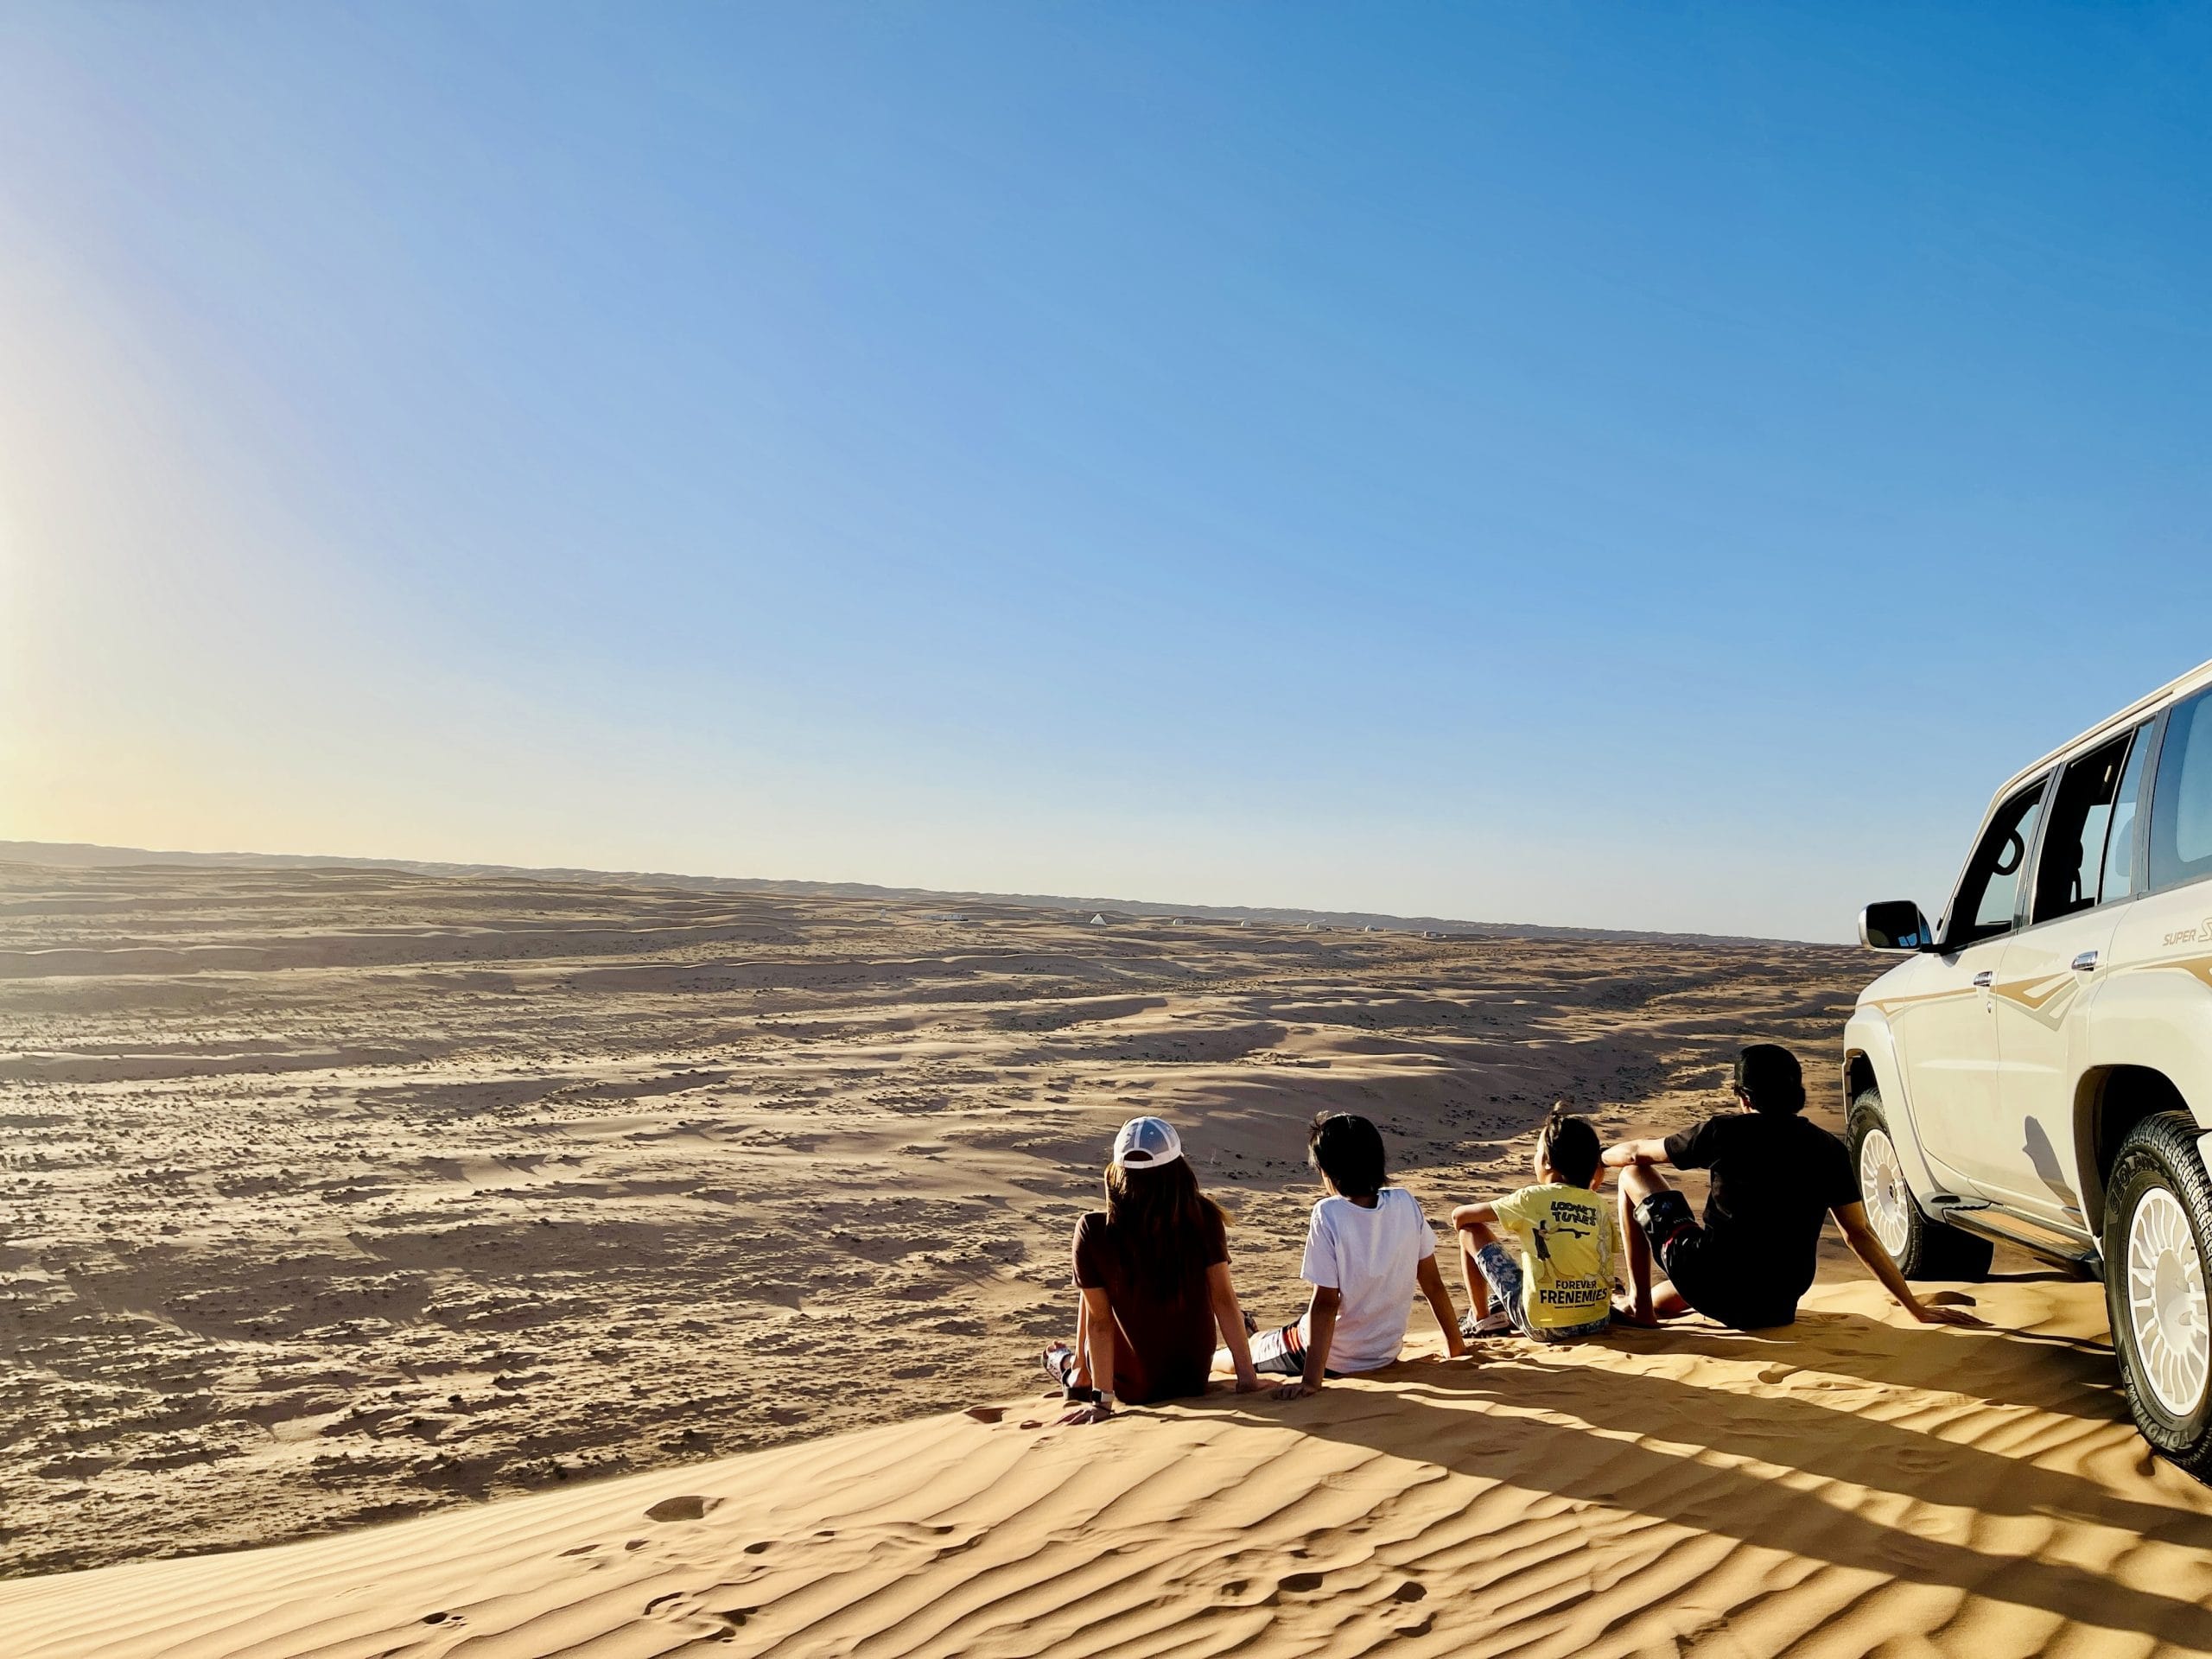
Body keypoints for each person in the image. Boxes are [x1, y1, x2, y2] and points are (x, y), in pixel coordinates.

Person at [1605, 1043, 1986, 1331]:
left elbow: (1637, 1152)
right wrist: (1912, 1307)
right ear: (1796, 1093)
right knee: (1687, 1289)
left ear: (1743, 1096)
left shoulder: (1723, 1131)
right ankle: (1649, 1302)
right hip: (1776, 1305)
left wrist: (1597, 1160)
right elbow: (1859, 1233)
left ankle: (1638, 1308)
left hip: (1716, 1282)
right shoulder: (1828, 1148)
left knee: (1632, 1176)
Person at [1040, 1116, 1266, 1423]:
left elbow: (1101, 1324)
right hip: (1191, 1378)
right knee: (1095, 1284)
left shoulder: (1093, 1229)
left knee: (1094, 1291)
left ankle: (1074, 1366)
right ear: (1179, 1167)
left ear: (1118, 1171)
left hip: (1133, 1386)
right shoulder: (1203, 1217)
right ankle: (1080, 1366)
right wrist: (1247, 1379)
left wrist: (1102, 1404)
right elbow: (1223, 1300)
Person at [1235, 1112, 1467, 1395]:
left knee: (1240, 1355)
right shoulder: (1406, 1203)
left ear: (1327, 1170)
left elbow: (1325, 1303)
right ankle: (1255, 1333)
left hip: (1334, 1357)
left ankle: (1250, 1337)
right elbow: (1432, 1282)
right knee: (1271, 1337)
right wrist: (1457, 1347)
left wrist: (1310, 1382)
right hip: (1384, 1353)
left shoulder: (1328, 1213)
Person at [1450, 1103, 1620, 1343]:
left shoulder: (1531, 1198)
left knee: (1470, 1231)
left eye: (1537, 1152)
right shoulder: (1599, 1204)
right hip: (1597, 1321)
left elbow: (1460, 1217)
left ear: (1547, 1161)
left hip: (1543, 1326)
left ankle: (1481, 1319)